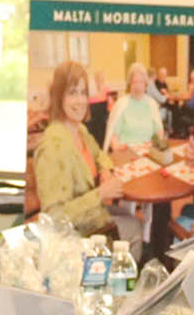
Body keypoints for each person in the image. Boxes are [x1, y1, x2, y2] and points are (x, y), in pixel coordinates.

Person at [33, 59, 126, 234]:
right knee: (134, 226)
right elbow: (54, 218)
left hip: (92, 216)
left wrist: (105, 169)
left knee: (132, 220)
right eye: (72, 93)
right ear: (58, 96)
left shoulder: (80, 130)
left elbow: (100, 155)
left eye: (83, 92)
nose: (80, 100)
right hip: (76, 235)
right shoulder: (52, 148)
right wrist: (100, 194)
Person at [106, 60, 169, 152]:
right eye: (134, 82)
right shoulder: (121, 104)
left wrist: (154, 144)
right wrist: (117, 146)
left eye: (141, 82)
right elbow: (114, 135)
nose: (138, 86)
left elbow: (159, 131)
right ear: (129, 84)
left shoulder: (151, 104)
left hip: (148, 152)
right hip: (126, 153)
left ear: (146, 84)